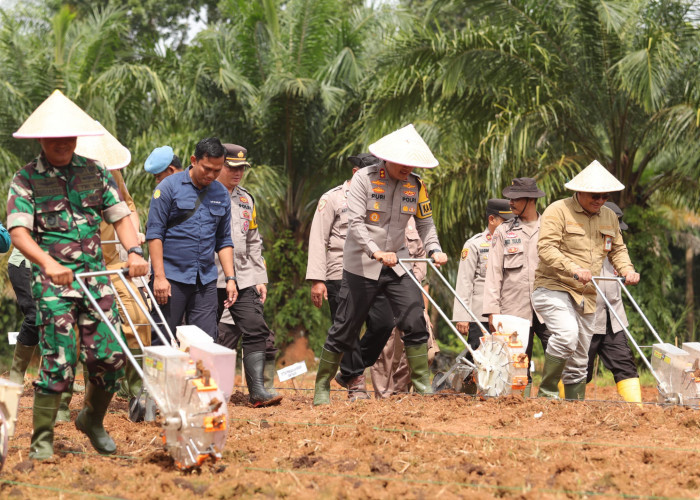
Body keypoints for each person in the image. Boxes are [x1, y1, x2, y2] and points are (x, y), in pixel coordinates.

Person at [7, 90, 149, 460]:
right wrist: (48, 263)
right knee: (59, 362)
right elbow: (19, 232)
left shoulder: (96, 172)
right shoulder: (25, 180)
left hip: (96, 282)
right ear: (41, 139)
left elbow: (121, 216)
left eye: (68, 137)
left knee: (110, 358)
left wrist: (134, 251)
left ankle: (92, 419)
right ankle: (42, 441)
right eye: (54, 137)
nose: (62, 144)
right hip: (53, 285)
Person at [313, 124, 448, 405]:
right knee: (345, 327)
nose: (408, 168)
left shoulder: (416, 185)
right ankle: (322, 384)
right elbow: (355, 223)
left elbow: (425, 223)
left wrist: (434, 249)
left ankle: (422, 385)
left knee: (413, 318)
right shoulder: (365, 179)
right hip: (361, 264)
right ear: (388, 158)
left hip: (397, 264)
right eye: (404, 163)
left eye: (413, 164)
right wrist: (375, 252)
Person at [533, 160, 640, 400]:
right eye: (595, 195)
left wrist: (627, 269)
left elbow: (617, 250)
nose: (600, 200)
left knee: (580, 358)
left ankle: (574, 407)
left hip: (588, 295)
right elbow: (546, 248)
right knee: (567, 334)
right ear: (579, 191)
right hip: (554, 287)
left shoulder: (610, 217)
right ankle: (547, 392)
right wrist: (573, 268)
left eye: (604, 196)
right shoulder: (557, 210)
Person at [75, 122, 151, 421]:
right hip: (76, 267)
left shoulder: (112, 173)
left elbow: (127, 203)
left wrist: (134, 238)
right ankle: (77, 404)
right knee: (81, 333)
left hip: (111, 262)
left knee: (139, 318)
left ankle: (138, 397)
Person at [306, 153, 394, 401]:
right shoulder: (332, 198)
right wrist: (317, 279)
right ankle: (356, 382)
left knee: (385, 321)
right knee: (348, 328)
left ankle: (347, 370)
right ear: (357, 174)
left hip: (374, 271)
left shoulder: (382, 199)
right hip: (338, 272)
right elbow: (319, 238)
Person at [146, 137, 237, 341]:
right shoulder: (168, 187)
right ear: (194, 160)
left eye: (217, 170)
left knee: (205, 342)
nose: (212, 175)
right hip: (171, 280)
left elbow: (223, 240)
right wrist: (159, 277)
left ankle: (200, 375)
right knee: (162, 339)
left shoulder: (221, 193)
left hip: (204, 281)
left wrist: (230, 279)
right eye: (207, 168)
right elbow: (154, 234)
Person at [214, 143, 282, 407]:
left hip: (242, 276)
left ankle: (257, 391)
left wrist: (259, 277)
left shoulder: (245, 199)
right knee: (211, 333)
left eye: (242, 168)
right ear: (219, 165)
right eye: (232, 167)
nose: (238, 172)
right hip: (212, 276)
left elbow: (254, 240)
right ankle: (209, 393)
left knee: (256, 328)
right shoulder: (205, 195)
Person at [482, 179, 551, 396]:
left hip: (547, 305)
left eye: (516, 198)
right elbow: (493, 272)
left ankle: (555, 402)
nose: (510, 202)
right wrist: (493, 311)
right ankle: (518, 408)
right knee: (517, 361)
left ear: (531, 200)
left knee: (560, 351)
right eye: (510, 197)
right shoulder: (504, 231)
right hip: (514, 307)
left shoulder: (550, 228)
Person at [370, 220, 439, 398]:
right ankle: (383, 397)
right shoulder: (378, 216)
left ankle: (400, 393)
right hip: (382, 294)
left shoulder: (419, 224)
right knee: (385, 350)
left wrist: (417, 299)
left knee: (423, 347)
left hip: (410, 294)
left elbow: (422, 268)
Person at [586, 202, 641, 403]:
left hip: (613, 317)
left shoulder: (618, 249)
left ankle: (637, 411)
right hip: (588, 317)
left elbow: (624, 265)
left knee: (625, 364)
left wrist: (629, 273)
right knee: (579, 370)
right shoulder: (584, 243)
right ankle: (567, 410)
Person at [453, 199, 514, 354]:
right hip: (480, 316)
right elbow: (464, 281)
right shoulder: (475, 244)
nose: (509, 225)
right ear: (492, 220)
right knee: (480, 358)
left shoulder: (514, 244)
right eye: (505, 221)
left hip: (508, 313)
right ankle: (463, 377)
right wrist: (463, 316)